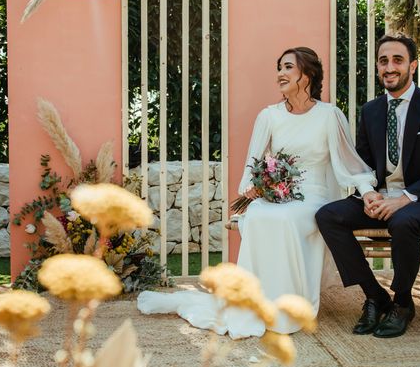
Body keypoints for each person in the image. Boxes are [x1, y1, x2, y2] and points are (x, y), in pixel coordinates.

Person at [138, 47, 376, 338]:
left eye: (288, 67)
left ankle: (290, 304)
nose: (280, 74)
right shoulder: (269, 116)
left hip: (313, 195)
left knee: (287, 219)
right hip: (275, 194)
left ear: (308, 74)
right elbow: (254, 165)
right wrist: (255, 189)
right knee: (260, 215)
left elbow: (349, 163)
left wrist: (367, 191)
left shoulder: (330, 115)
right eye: (279, 67)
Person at [316, 34, 420, 339]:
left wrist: (403, 199)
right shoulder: (371, 111)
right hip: (381, 196)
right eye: (383, 61)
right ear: (377, 67)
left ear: (413, 65)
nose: (390, 67)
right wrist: (368, 193)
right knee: (327, 216)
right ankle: (375, 296)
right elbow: (361, 164)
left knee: (403, 221)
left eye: (397, 60)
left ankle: (402, 302)